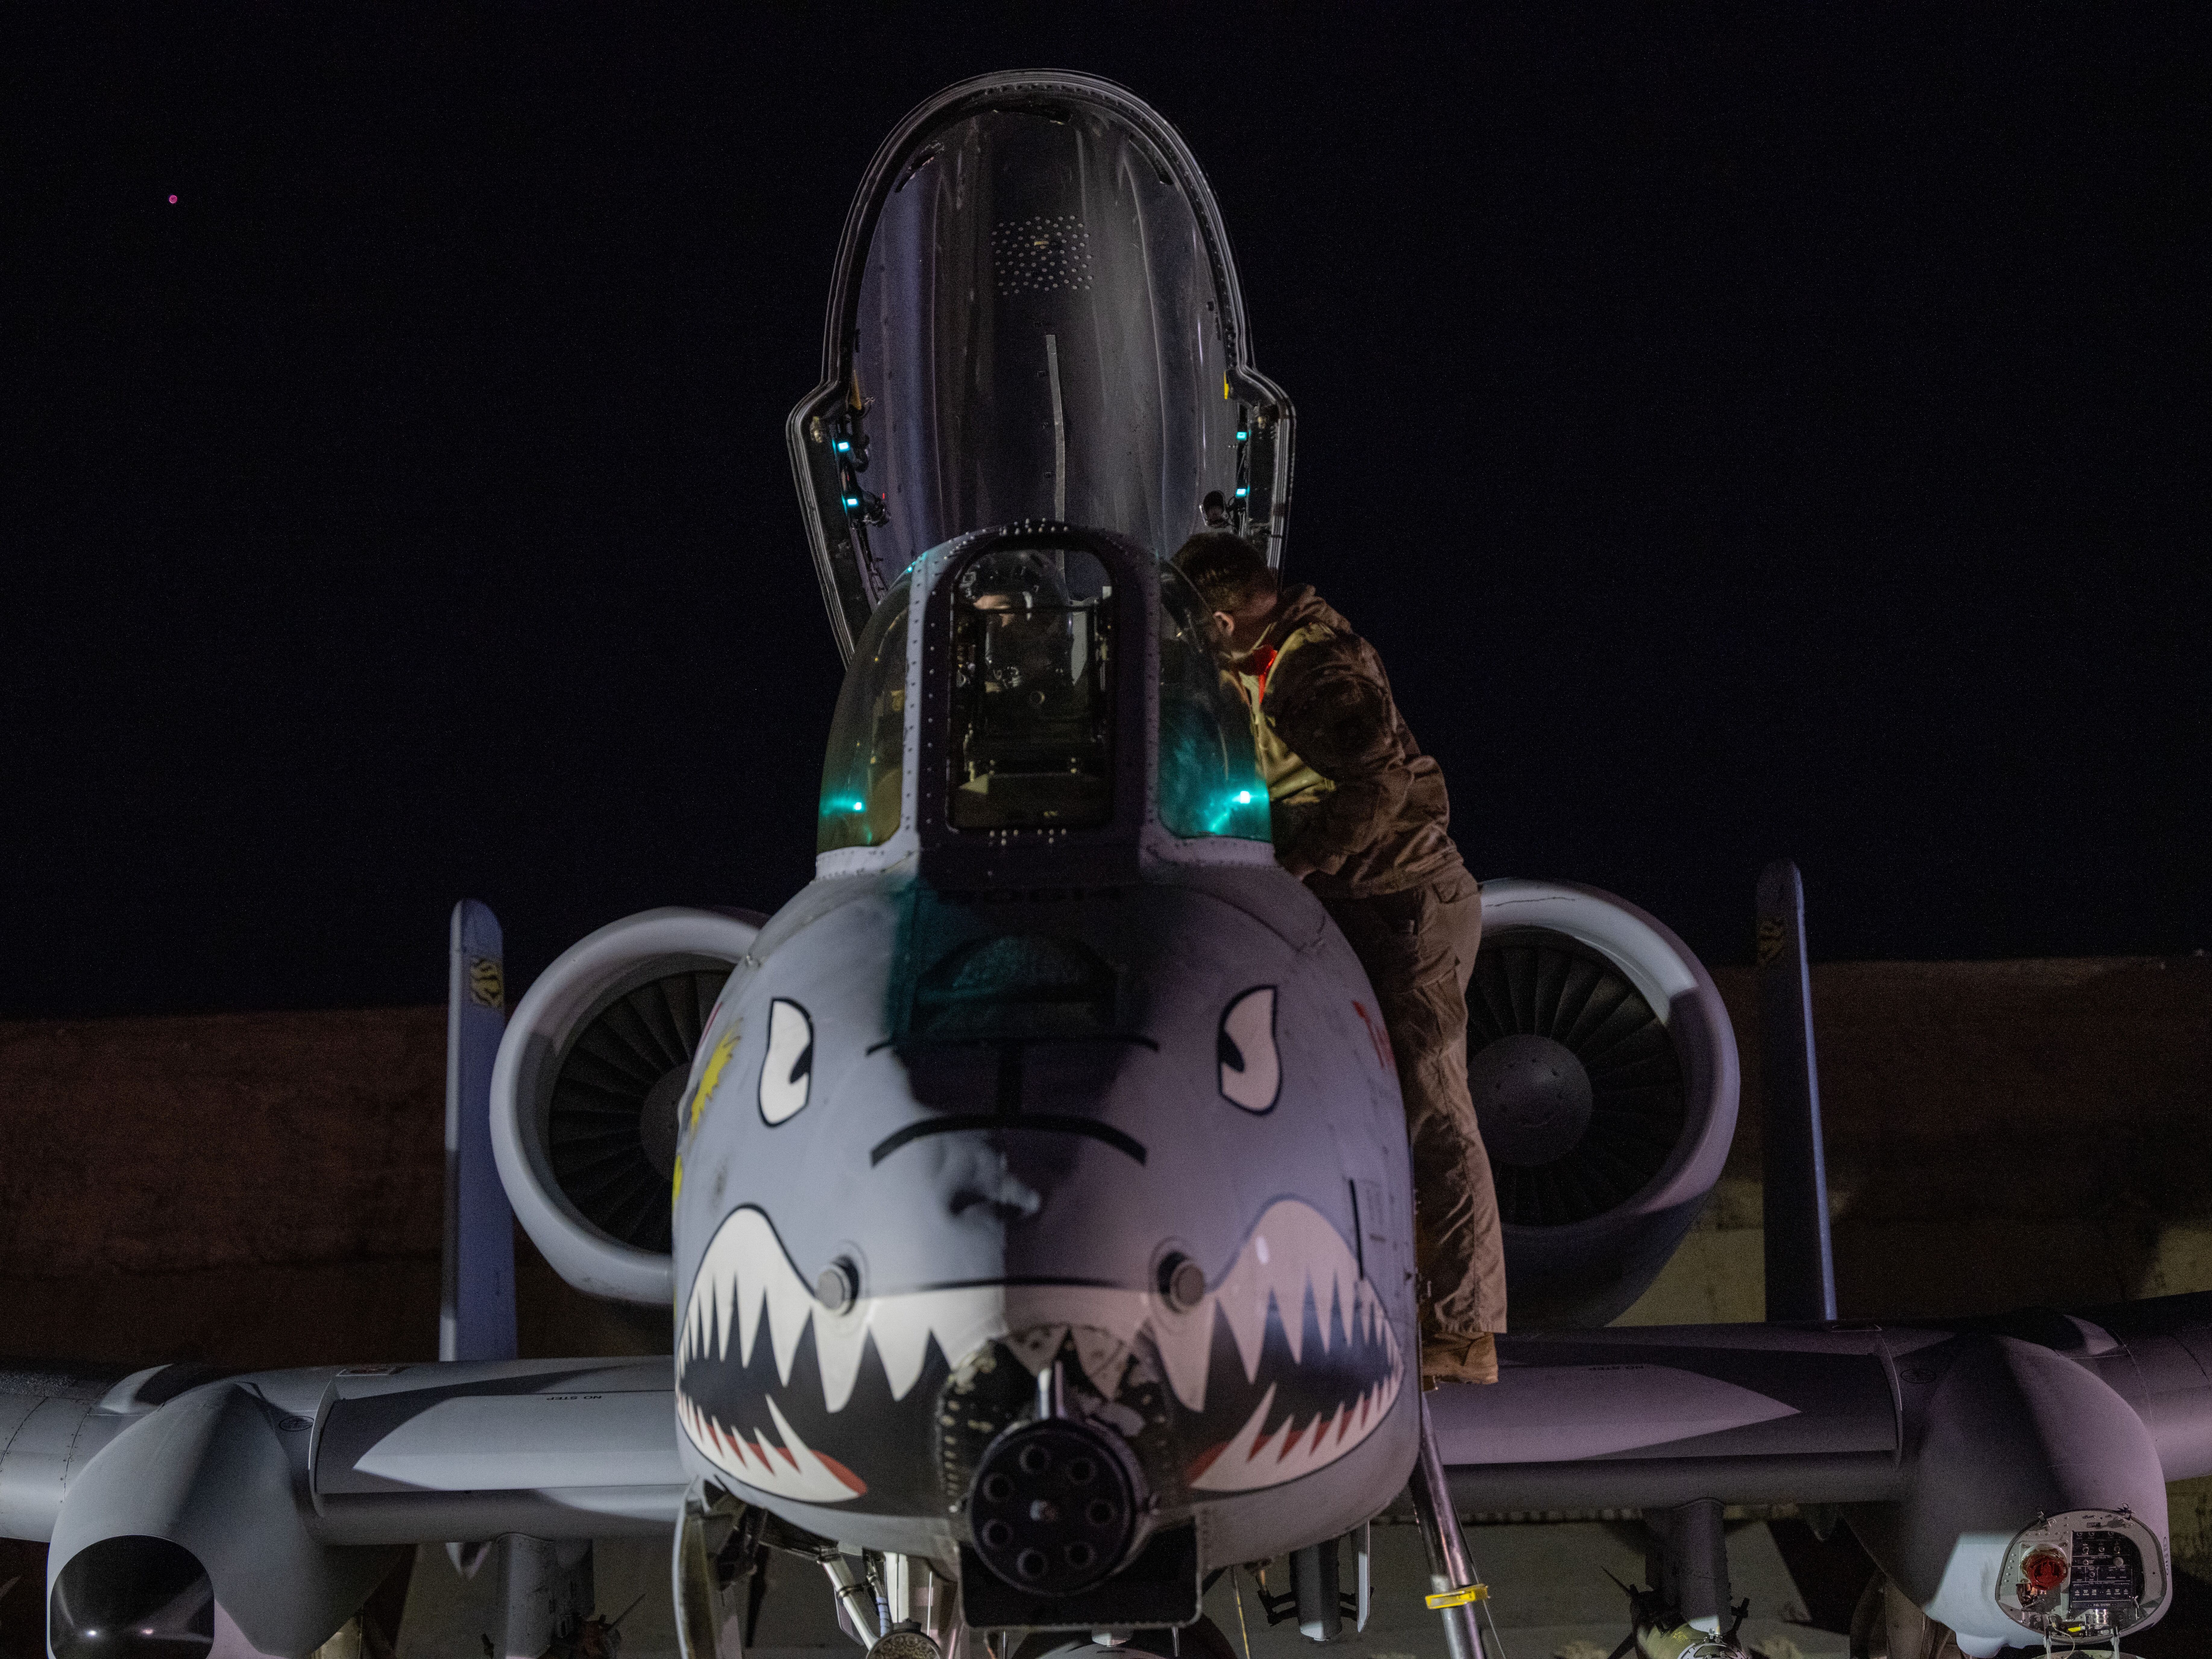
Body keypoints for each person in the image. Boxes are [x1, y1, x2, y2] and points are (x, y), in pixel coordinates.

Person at [1172, 531, 1505, 1385]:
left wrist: (1296, 865)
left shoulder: (1316, 669)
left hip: (1404, 903)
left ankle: (1465, 1329)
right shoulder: (1257, 661)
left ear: (1218, 618)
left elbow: (1375, 787)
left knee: (1433, 1104)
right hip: (1354, 904)